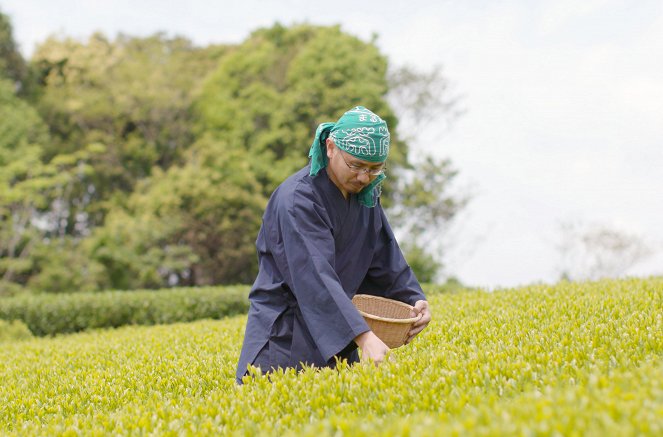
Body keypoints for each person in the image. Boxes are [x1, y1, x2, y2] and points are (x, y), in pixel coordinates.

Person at [235, 106, 431, 384]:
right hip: (283, 343)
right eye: (356, 166)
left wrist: (413, 298)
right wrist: (364, 336)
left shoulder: (365, 196)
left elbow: (385, 257)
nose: (364, 177)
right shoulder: (298, 200)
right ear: (330, 148)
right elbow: (315, 277)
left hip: (338, 347)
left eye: (375, 169)